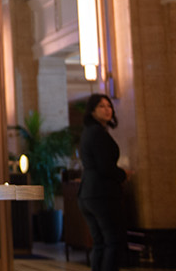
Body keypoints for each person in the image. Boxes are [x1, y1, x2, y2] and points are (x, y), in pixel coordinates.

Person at [77, 93, 130, 271]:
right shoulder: (98, 134)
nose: (107, 109)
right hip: (102, 194)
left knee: (100, 243)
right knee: (113, 242)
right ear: (92, 111)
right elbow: (105, 167)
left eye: (109, 106)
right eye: (101, 106)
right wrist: (123, 174)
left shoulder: (88, 133)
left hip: (88, 193)